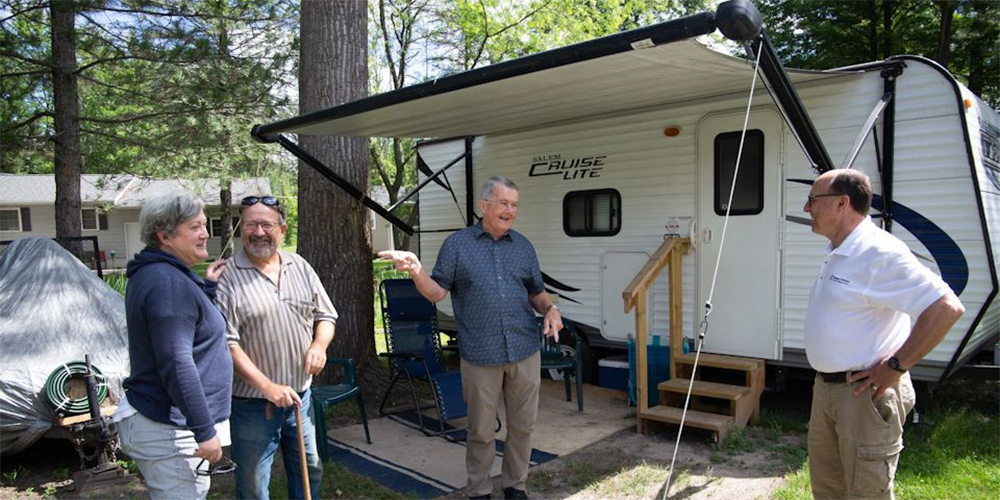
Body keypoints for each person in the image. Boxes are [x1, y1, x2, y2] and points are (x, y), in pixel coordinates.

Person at [379, 176, 562, 500]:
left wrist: (550, 308)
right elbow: (436, 293)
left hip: (523, 349)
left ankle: (515, 486)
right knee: (480, 431)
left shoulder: (523, 246)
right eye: (503, 202)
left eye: (514, 204)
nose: (510, 210)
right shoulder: (458, 245)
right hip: (480, 354)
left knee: (523, 427)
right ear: (484, 205)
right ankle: (479, 489)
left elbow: (536, 291)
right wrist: (416, 271)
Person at [803, 169, 965, 500]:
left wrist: (895, 366)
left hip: (864, 396)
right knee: (828, 491)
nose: (807, 208)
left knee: (867, 493)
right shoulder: (840, 250)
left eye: (812, 200)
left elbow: (946, 307)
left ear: (841, 203)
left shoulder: (878, 252)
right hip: (828, 391)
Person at [215, 195, 337, 500]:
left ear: (282, 229)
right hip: (252, 404)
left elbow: (326, 315)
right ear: (241, 229)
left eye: (266, 224)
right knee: (254, 485)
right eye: (250, 224)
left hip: (300, 398)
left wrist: (319, 345)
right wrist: (268, 387)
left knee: (310, 471)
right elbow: (226, 343)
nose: (258, 232)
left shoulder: (300, 265)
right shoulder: (227, 275)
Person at [115, 191, 232, 500]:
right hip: (170, 427)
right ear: (165, 235)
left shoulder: (163, 275)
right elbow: (176, 362)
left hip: (170, 424)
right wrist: (204, 431)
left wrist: (207, 288)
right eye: (195, 226)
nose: (205, 233)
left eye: (205, 225)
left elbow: (184, 328)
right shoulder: (166, 283)